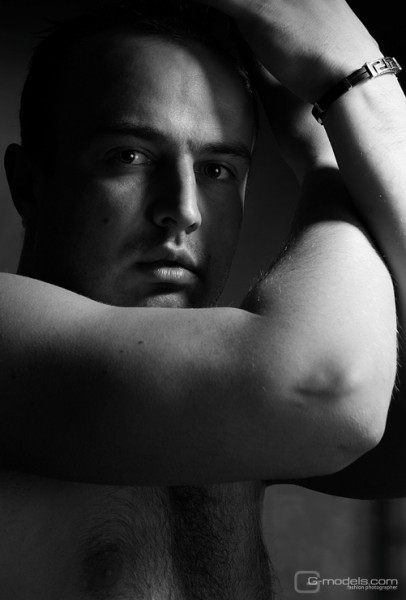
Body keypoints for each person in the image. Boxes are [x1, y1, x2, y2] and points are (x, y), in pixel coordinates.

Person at [0, 0, 403, 596]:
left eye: (218, 170)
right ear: (29, 185)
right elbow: (325, 385)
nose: (184, 210)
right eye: (129, 156)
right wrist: (344, 105)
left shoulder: (235, 393)